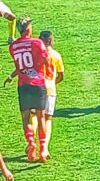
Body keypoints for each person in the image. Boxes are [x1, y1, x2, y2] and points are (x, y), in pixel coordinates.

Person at [6, 17, 50, 163]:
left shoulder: (13, 47)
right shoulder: (37, 43)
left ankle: (31, 142)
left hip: (23, 85)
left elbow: (19, 66)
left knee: (26, 117)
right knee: (41, 117)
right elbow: (46, 61)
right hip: (37, 84)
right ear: (28, 28)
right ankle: (42, 150)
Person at [34, 31, 64, 159]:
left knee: (34, 116)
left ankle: (31, 143)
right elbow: (61, 76)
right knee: (47, 119)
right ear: (51, 41)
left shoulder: (35, 54)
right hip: (50, 89)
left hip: (36, 89)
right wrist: (53, 83)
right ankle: (44, 148)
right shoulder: (56, 55)